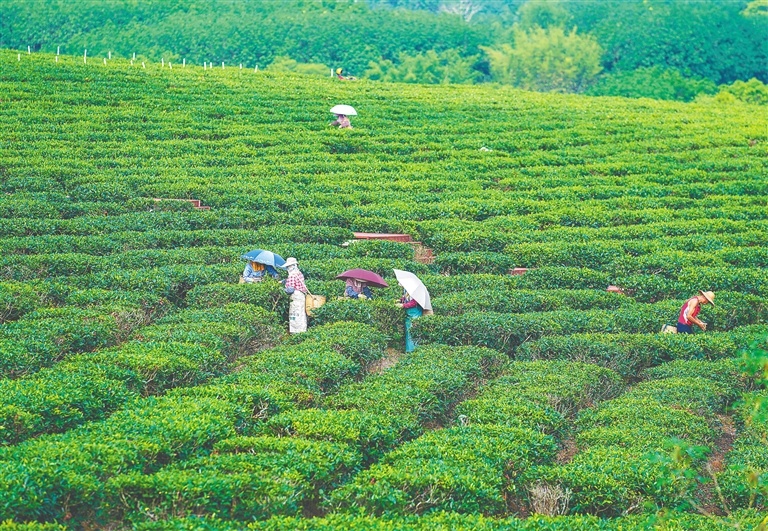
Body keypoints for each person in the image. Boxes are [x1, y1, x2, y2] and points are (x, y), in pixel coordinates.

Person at [282, 257, 308, 334]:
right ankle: (302, 331)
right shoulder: (299, 273)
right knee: (301, 314)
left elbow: (290, 290)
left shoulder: (292, 276)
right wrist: (284, 281)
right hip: (301, 296)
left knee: (295, 314)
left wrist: (281, 290)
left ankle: (295, 332)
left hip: (295, 297)